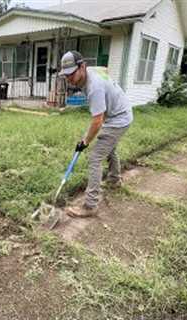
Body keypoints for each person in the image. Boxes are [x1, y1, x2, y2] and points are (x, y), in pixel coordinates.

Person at [59, 51, 133, 218]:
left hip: (118, 118)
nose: (69, 79)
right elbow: (105, 70)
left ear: (82, 67)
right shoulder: (91, 73)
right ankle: (114, 180)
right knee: (109, 148)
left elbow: (97, 121)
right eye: (66, 75)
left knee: (95, 157)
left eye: (71, 74)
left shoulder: (94, 88)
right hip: (119, 112)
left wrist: (85, 141)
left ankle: (90, 205)